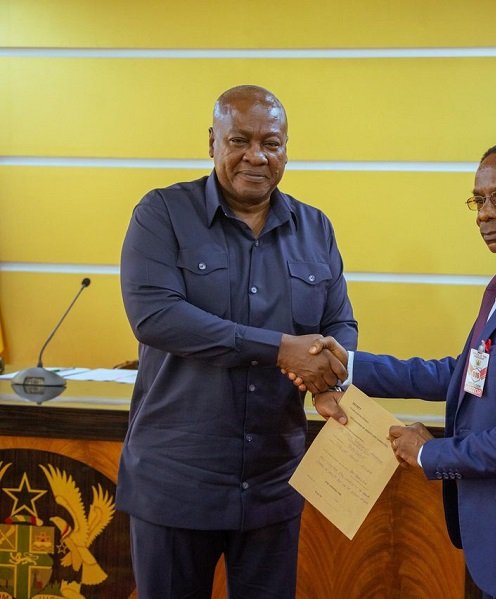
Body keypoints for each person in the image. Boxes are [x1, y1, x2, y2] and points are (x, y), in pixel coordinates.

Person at [302, 141, 496, 598]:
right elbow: (465, 374)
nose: (486, 213)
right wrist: (348, 365)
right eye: (480, 199)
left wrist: (429, 454)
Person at [118, 84, 356, 598]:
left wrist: (330, 376)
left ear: (286, 148)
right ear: (212, 142)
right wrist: (279, 349)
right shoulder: (161, 214)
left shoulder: (316, 228)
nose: (256, 156)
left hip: (273, 484)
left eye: (271, 143)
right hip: (176, 481)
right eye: (239, 140)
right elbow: (157, 317)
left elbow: (339, 323)